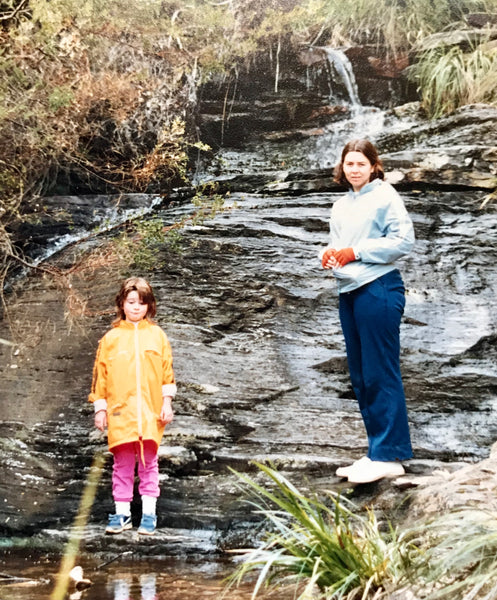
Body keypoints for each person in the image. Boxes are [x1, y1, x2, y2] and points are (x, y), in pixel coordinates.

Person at [320, 139, 414, 484]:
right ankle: (377, 451)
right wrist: (328, 255)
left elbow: (403, 241)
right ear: (342, 167)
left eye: (361, 163)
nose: (354, 169)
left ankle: (390, 455)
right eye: (349, 164)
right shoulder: (342, 204)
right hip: (350, 290)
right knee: (360, 375)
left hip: (379, 288)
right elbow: (337, 245)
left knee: (380, 371)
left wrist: (355, 252)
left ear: (374, 166)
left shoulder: (385, 195)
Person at [89, 276, 176, 534]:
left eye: (142, 303)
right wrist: (101, 409)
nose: (136, 307)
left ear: (150, 306)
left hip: (150, 413)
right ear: (122, 304)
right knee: (122, 465)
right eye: (131, 302)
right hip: (120, 413)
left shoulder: (157, 336)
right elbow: (100, 378)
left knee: (149, 463)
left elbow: (166, 374)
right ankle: (122, 514)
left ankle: (149, 514)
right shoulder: (111, 338)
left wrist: (167, 403)